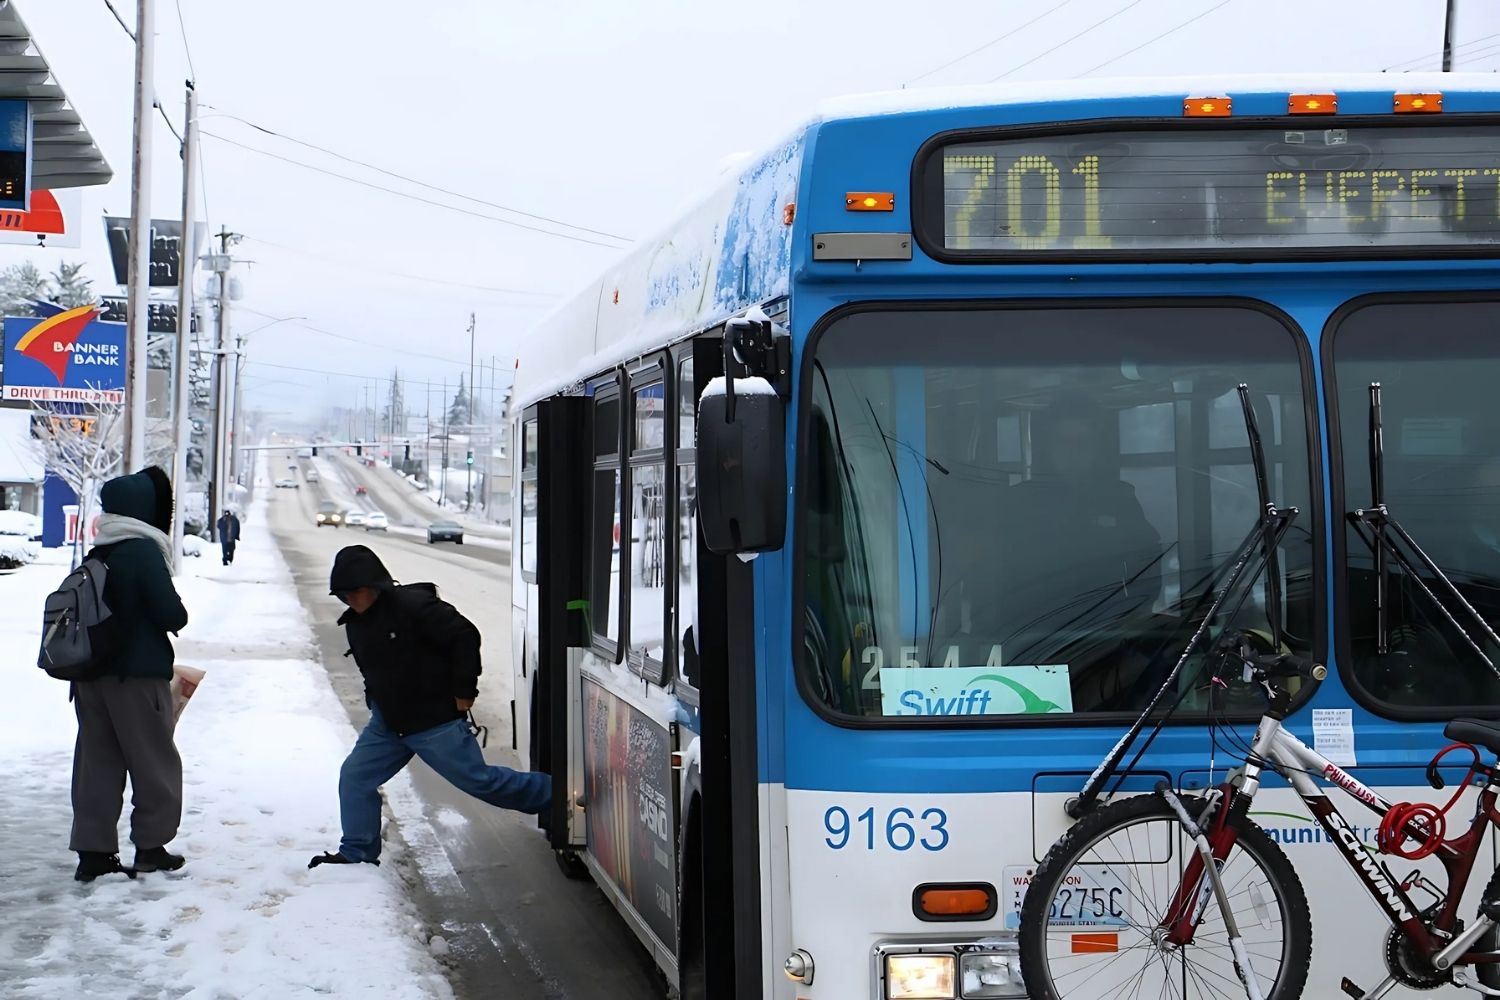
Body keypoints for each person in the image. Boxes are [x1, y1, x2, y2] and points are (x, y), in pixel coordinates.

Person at [309, 545, 552, 868]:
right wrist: (374, 699)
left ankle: (557, 794)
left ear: (374, 585)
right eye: (343, 594)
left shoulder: (414, 607)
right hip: (387, 724)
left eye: (355, 591)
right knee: (355, 778)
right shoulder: (356, 622)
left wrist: (464, 690)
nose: (349, 599)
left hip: (433, 722)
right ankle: (357, 852)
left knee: (482, 782)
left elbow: (465, 636)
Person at [71, 466, 190, 882]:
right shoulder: (142, 551)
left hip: (90, 677)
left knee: (97, 763)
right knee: (154, 761)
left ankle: (94, 854)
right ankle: (151, 848)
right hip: (136, 679)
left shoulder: (99, 551)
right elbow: (172, 614)